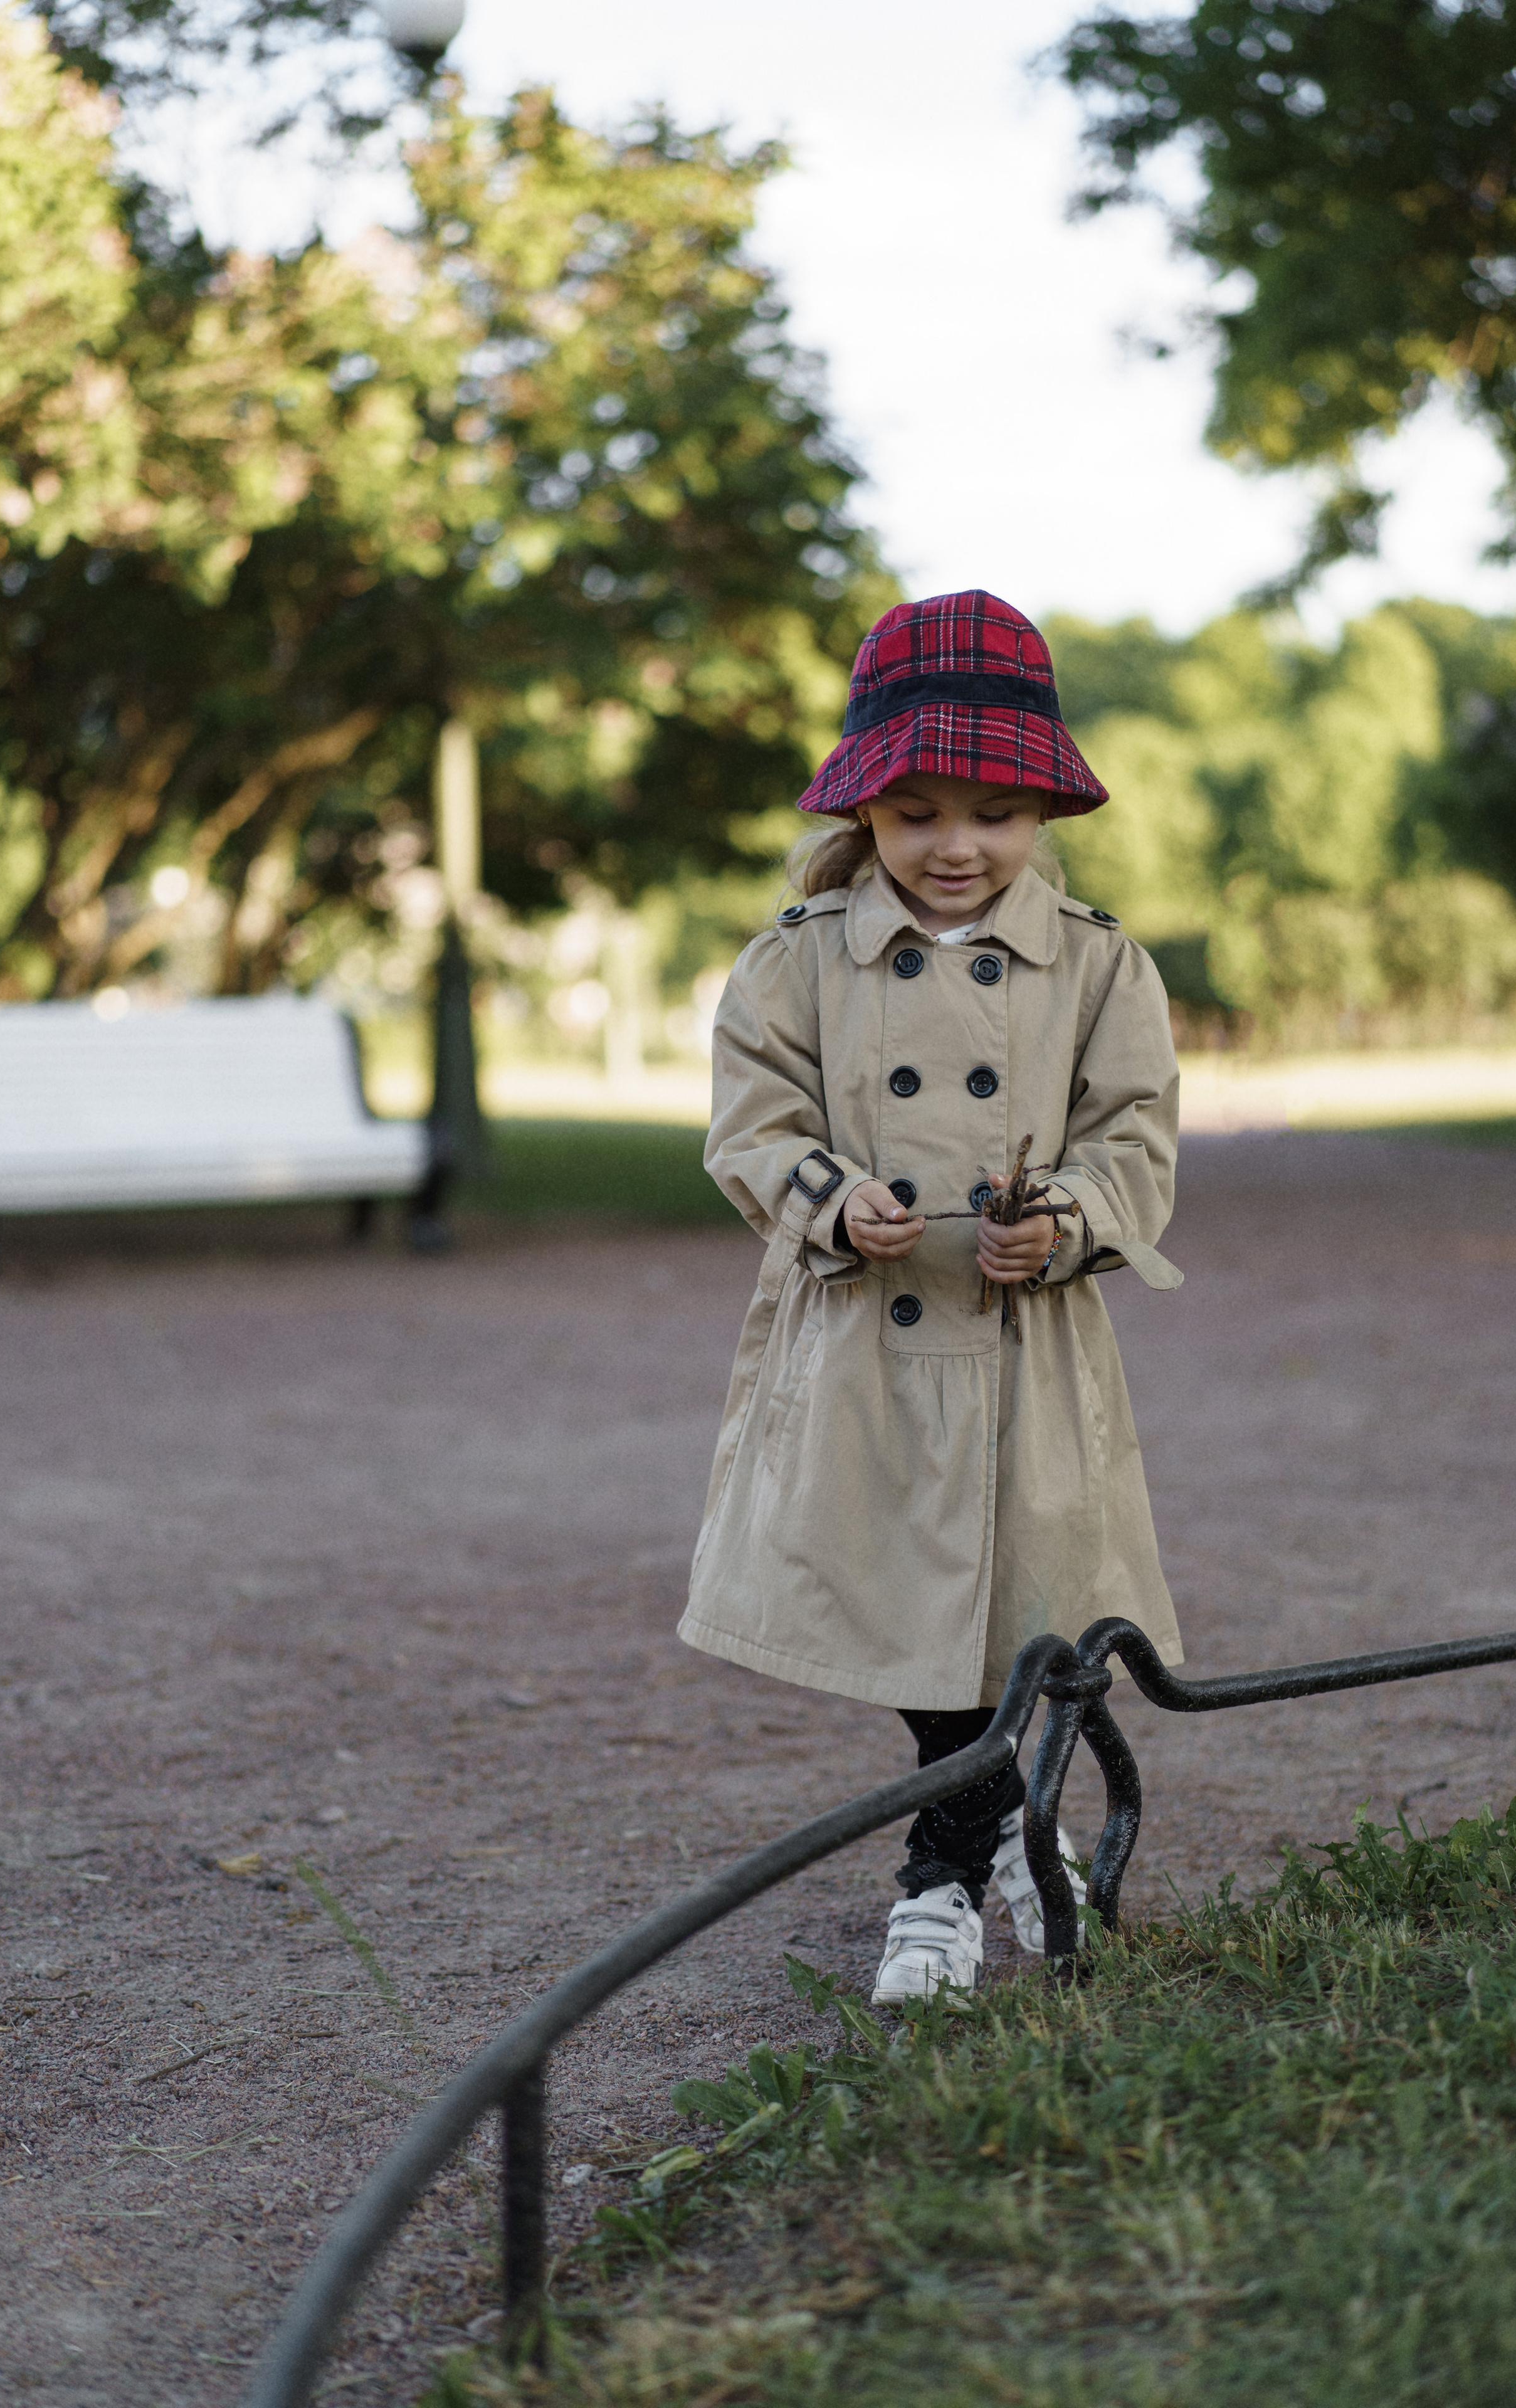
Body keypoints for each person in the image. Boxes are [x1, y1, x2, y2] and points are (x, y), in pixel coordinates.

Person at [678, 589, 1184, 2002]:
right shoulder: (793, 959)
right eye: (916, 814)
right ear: (867, 813)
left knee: (1030, 1608)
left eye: (993, 813)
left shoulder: (1096, 962)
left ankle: (972, 1852)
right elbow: (749, 1128)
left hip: (1026, 1339)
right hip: (865, 1343)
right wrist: (831, 1200)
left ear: (1042, 812)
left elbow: (1134, 1136)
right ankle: (956, 1869)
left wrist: (1070, 1221)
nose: (955, 847)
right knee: (917, 1606)